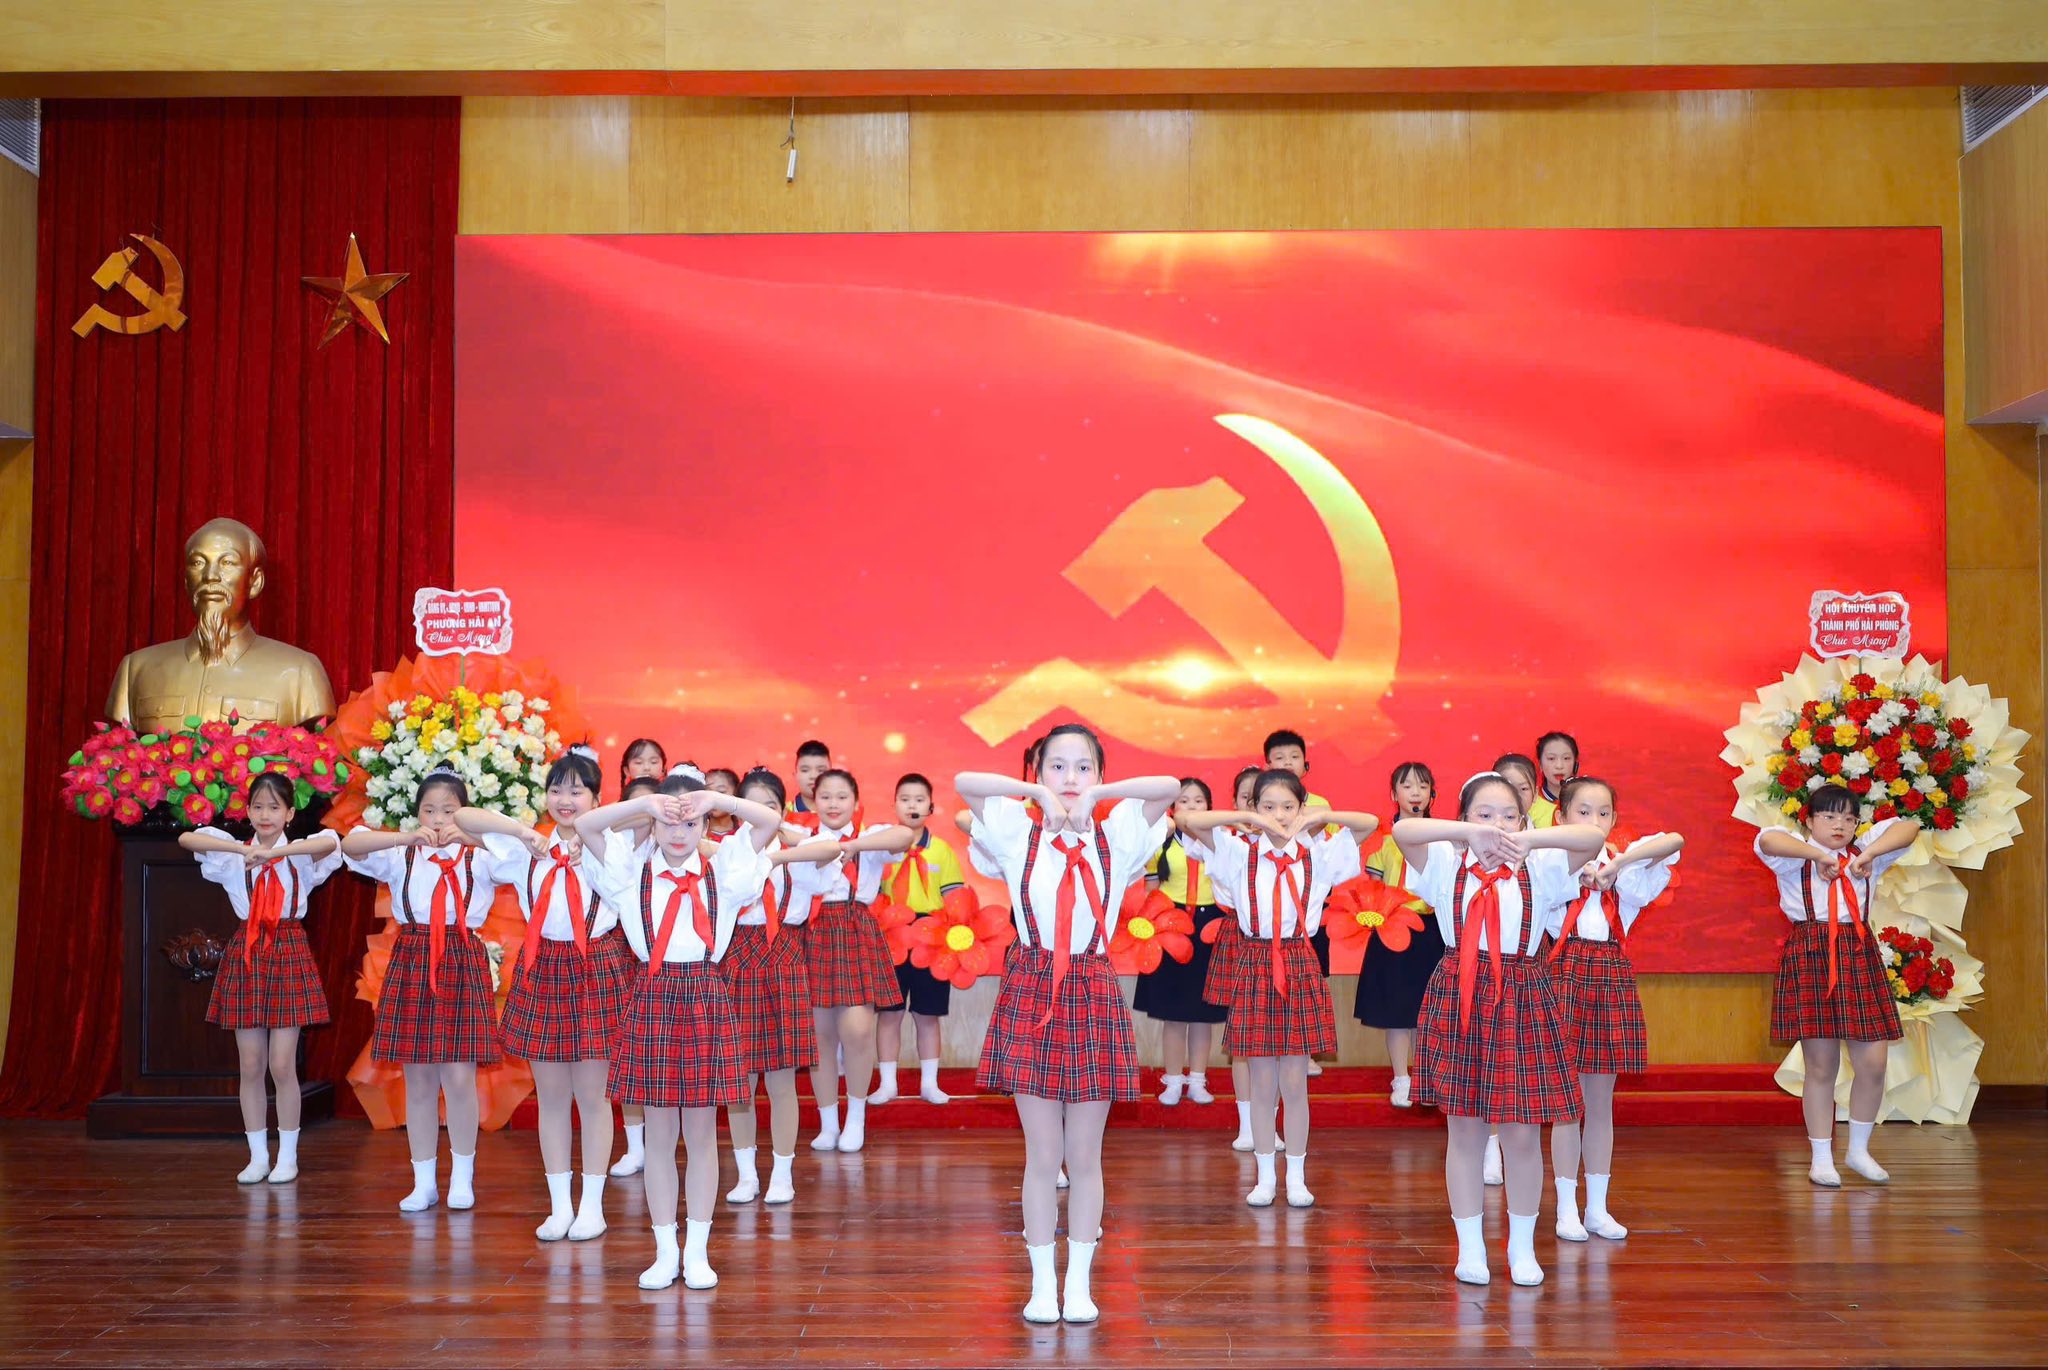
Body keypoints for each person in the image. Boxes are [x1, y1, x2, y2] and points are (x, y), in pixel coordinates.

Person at [959, 725, 1177, 1324]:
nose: (1071, 777)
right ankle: (1041, 1285)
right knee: (1042, 1154)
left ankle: (1078, 1283)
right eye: (1057, 766)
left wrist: (1096, 798)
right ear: (1038, 772)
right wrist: (1039, 796)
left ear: (1100, 774)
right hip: (1031, 987)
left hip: (1091, 987)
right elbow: (964, 782)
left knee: (1084, 1155)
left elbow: (1167, 785)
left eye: (1084, 767)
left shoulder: (1120, 834)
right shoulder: (1015, 830)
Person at [1394, 771, 1604, 1286]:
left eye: (1509, 815)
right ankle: (1470, 1249)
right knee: (1464, 1132)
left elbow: (1591, 837)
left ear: (1525, 820)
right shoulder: (1445, 860)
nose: (1497, 824)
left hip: (1523, 994)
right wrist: (1468, 835)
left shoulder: (1544, 863)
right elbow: (1402, 830)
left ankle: (1521, 1248)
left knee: (1523, 1133)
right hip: (1459, 993)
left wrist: (1528, 840)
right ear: (1464, 818)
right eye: (1484, 814)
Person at [578, 767, 783, 1290]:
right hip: (652, 998)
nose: (678, 832)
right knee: (659, 1136)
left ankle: (697, 1251)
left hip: (706, 998)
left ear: (704, 827)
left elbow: (768, 821)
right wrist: (645, 805)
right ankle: (665, 1250)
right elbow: (587, 826)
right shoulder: (630, 874)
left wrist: (714, 800)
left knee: (701, 1135)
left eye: (690, 823)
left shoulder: (726, 873)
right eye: (669, 822)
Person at [455, 746, 631, 1242]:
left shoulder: (611, 848)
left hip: (595, 966)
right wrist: (523, 832)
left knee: (593, 1098)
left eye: (577, 791)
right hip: (544, 967)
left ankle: (592, 1207)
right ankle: (560, 1207)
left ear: (597, 798)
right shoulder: (527, 849)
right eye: (556, 790)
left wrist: (591, 837)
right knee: (551, 1098)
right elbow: (464, 817)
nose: (565, 799)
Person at [1179, 773, 1376, 1208]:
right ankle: (1265, 1177)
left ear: (1301, 807)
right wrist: (1246, 820)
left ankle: (1297, 1177)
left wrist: (1319, 817)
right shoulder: (1238, 850)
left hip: (1299, 960)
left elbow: (1369, 823)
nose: (1279, 815)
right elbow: (1191, 821)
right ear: (1254, 808)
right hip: (1254, 961)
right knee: (1262, 1081)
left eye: (1288, 806)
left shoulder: (1318, 853)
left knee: (1295, 1082)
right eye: (1268, 806)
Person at [342, 768, 506, 1213]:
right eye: (429, 811)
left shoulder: (481, 857)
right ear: (416, 814)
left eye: (449, 811)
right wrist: (404, 837)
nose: (438, 820)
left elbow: (522, 850)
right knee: (418, 1080)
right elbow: (351, 845)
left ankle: (463, 1179)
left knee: (460, 1077)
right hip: (413, 956)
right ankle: (423, 1182)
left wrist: (472, 835)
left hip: (461, 956)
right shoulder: (401, 855)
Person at [179, 773, 344, 1184]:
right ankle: (257, 1156)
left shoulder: (300, 857)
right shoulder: (233, 856)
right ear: (248, 811)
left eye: (274, 807)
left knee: (282, 1064)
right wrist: (242, 849)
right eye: (257, 806)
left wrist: (275, 855)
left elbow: (332, 843)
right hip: (248, 951)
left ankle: (287, 1156)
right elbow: (187, 838)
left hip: (288, 949)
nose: (264, 814)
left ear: (289, 813)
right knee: (250, 1064)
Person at [1755, 784, 1920, 1187]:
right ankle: (1821, 1157)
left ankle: (1859, 1150)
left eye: (1848, 818)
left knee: (1874, 1063)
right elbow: (1767, 839)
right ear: (1809, 821)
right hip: (1812, 950)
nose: (1839, 825)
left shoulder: (1865, 852)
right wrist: (1818, 856)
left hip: (1857, 951)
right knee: (1821, 1065)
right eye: (1828, 817)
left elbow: (1910, 827)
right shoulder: (1795, 855)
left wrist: (1867, 855)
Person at [1544, 776, 1682, 1241]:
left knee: (1600, 1102)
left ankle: (1597, 1208)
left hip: (1609, 976)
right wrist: (1578, 872)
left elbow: (1674, 841)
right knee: (1566, 1103)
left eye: (1603, 813)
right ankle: (1566, 1209)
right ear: (1561, 817)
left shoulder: (1627, 869)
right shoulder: (1549, 865)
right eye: (1582, 812)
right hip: (1562, 974)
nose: (1594, 821)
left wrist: (1617, 864)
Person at [720, 767, 840, 1205]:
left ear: (782, 809)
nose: (760, 816)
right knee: (740, 1079)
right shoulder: (727, 852)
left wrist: (778, 853)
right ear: (738, 814)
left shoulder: (798, 847)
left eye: (769, 807)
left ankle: (783, 1173)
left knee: (782, 1079)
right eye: (751, 808)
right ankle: (746, 1175)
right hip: (736, 960)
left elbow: (832, 849)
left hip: (783, 959)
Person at [802, 768, 916, 1152]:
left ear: (855, 801)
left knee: (858, 1031)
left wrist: (852, 846)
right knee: (820, 1036)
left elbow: (905, 836)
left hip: (854, 928)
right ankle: (828, 1124)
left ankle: (856, 1118)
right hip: (814, 930)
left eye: (842, 797)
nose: (833, 804)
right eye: (825, 797)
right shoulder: (806, 837)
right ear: (814, 801)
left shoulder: (871, 837)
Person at [871, 773, 970, 1107]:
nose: (911, 805)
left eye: (919, 799)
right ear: (894, 805)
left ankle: (930, 1083)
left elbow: (955, 901)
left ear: (930, 807)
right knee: (889, 1014)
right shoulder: (882, 846)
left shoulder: (941, 850)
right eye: (905, 799)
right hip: (890, 936)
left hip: (932, 938)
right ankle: (887, 1084)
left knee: (927, 1015)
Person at [1353, 761, 1446, 1107]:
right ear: (1394, 794)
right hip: (1392, 929)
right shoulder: (1383, 841)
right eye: (1407, 786)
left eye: (1422, 786)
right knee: (1396, 1011)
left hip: (1432, 931)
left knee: (1428, 1010)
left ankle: (1425, 1076)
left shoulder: (1442, 839)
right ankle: (1401, 1079)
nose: (1415, 793)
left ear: (1432, 794)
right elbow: (1372, 887)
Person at [1134, 779, 1227, 1107]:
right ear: (1173, 808)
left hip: (1210, 925)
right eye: (1184, 801)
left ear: (1209, 807)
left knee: (1203, 1013)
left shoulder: (1221, 840)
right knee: (1173, 1013)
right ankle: (1173, 1080)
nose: (1191, 806)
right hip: (1169, 925)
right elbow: (1151, 891)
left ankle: (1198, 1080)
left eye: (1199, 801)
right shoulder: (1161, 840)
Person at [1535, 731, 1579, 808]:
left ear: (1575, 763)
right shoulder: (1531, 801)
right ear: (1540, 764)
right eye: (1551, 758)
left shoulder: (1586, 797)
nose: (1559, 766)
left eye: (1566, 758)